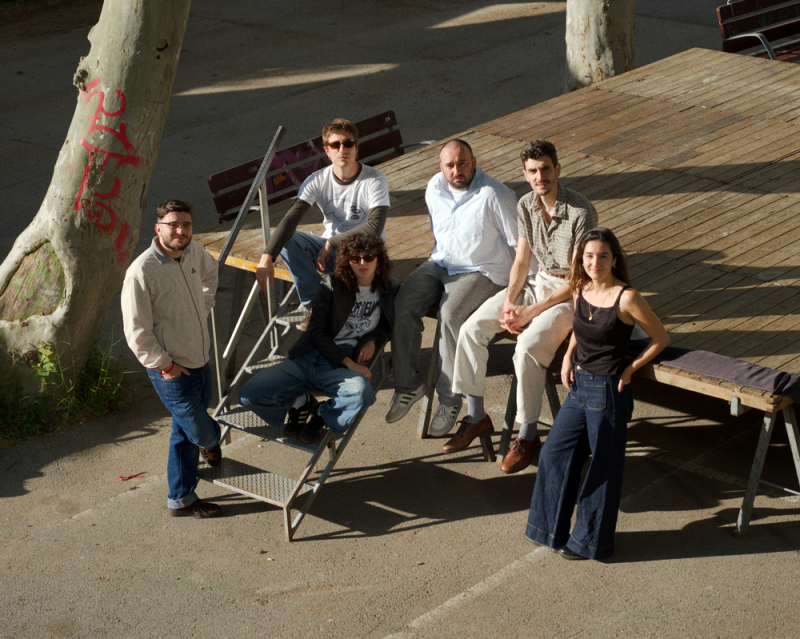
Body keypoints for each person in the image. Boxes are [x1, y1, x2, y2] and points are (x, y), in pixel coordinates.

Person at [449, 140, 597, 470]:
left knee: (527, 347)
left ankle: (528, 435)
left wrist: (530, 312)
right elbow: (521, 260)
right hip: (537, 281)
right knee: (471, 328)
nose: (540, 176)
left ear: (557, 169)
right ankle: (476, 415)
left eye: (545, 168)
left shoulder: (580, 212)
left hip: (569, 294)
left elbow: (578, 278)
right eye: (533, 171)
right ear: (526, 175)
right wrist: (508, 303)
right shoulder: (526, 204)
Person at [525, 227, 669, 560]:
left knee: (603, 467)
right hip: (578, 386)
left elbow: (661, 338)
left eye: (603, 256)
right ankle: (547, 529)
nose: (595, 263)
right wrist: (568, 356)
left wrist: (631, 369)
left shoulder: (626, 298)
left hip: (608, 390)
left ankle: (588, 543)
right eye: (589, 256)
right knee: (554, 454)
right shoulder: (581, 287)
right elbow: (580, 327)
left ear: (614, 260)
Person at [385, 139, 518, 435]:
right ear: (441, 167)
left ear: (474, 162)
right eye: (450, 165)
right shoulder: (434, 187)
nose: (457, 170)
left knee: (450, 315)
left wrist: (523, 290)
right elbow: (442, 229)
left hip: (482, 269)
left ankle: (449, 399)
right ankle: (408, 385)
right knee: (403, 302)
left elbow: (520, 242)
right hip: (441, 262)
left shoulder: (495, 195)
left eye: (462, 163)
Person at [240, 234, 398, 443]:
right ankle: (300, 402)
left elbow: (389, 323)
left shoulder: (389, 289)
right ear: (347, 261)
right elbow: (316, 333)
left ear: (379, 258)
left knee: (362, 393)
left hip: (336, 366)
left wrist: (373, 340)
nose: (362, 263)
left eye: (369, 257)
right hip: (308, 356)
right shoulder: (332, 283)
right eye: (355, 258)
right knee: (249, 395)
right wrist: (351, 364)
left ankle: (322, 413)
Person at [121, 200, 223, 519]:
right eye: (173, 224)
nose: (181, 230)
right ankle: (209, 443)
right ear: (158, 228)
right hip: (172, 372)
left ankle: (181, 498)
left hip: (201, 362)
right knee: (204, 433)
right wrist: (166, 365)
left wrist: (204, 305)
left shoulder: (193, 252)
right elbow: (137, 331)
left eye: (186, 224)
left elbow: (211, 273)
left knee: (183, 434)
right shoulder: (142, 271)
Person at [255, 118, 391, 328]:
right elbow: (291, 218)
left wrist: (331, 242)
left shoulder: (375, 179)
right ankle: (314, 304)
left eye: (348, 143)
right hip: (332, 255)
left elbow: (374, 228)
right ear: (327, 151)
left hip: (366, 256)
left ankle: (342, 305)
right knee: (289, 239)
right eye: (335, 145)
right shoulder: (316, 180)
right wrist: (267, 257)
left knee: (355, 312)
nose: (342, 149)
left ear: (356, 147)